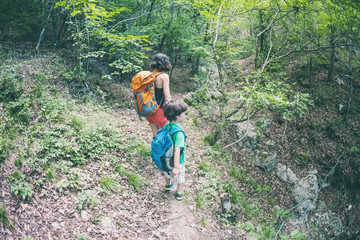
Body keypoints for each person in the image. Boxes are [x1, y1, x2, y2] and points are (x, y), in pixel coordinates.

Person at [163, 100, 187, 201]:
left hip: (166, 157)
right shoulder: (179, 133)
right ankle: (179, 192)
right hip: (177, 160)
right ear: (177, 116)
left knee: (167, 172)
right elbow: (177, 150)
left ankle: (168, 185)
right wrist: (176, 167)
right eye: (184, 113)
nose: (185, 115)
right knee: (180, 175)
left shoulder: (167, 126)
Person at [147, 53, 172, 137]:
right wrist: (171, 111)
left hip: (149, 110)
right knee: (168, 135)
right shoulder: (164, 76)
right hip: (159, 110)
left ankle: (155, 150)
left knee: (156, 137)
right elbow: (167, 97)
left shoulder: (150, 75)